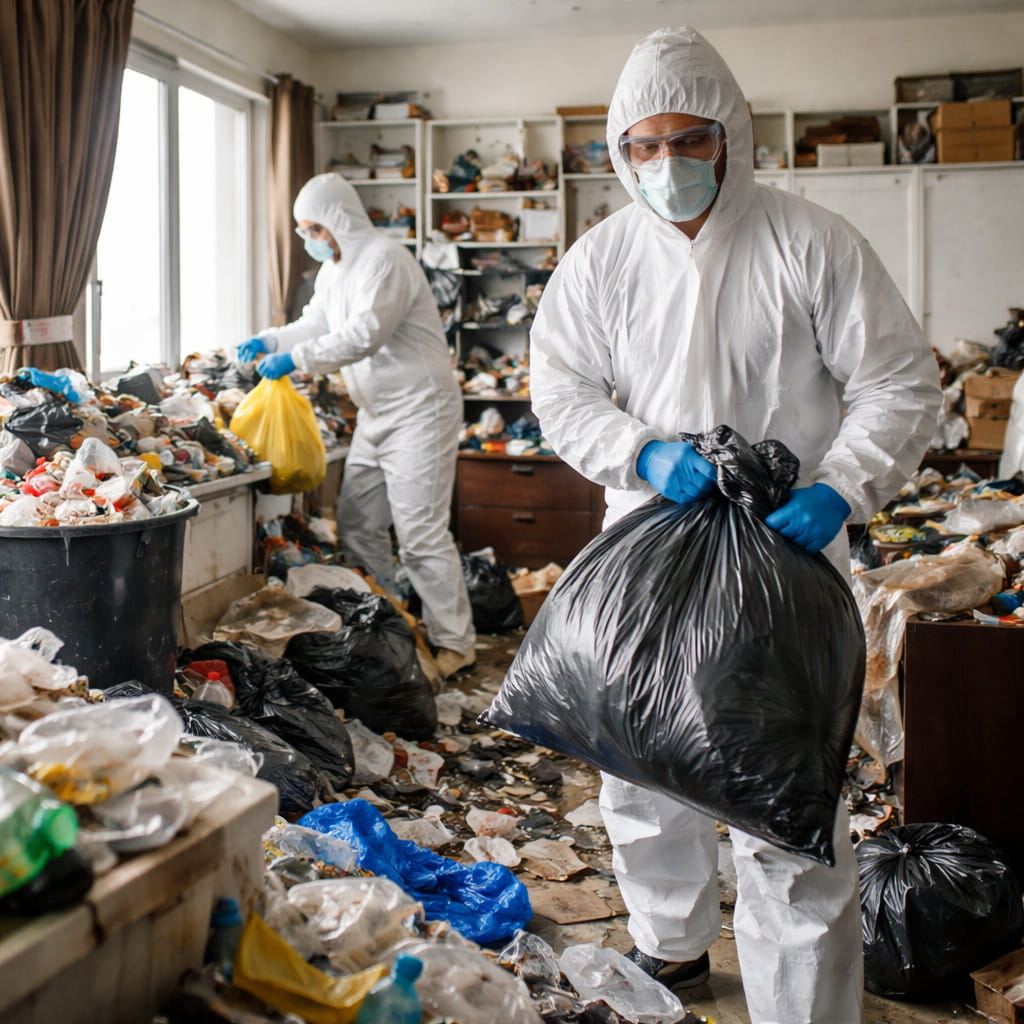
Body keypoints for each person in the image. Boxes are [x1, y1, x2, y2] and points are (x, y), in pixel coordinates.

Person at [528, 26, 942, 1024]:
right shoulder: (599, 261)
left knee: (786, 801)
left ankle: (800, 1007)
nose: (665, 164)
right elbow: (560, 389)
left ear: (733, 137)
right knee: (641, 771)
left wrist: (842, 485)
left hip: (782, 553)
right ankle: (669, 944)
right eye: (642, 145)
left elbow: (897, 382)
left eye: (688, 139)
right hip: (648, 553)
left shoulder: (812, 241)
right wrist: (643, 454)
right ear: (619, 152)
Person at [238, 172, 476, 680]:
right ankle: (395, 620)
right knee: (359, 522)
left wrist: (296, 360)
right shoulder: (336, 270)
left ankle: (457, 643)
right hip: (377, 412)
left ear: (337, 221)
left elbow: (366, 334)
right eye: (303, 231)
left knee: (420, 534)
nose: (309, 240)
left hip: (420, 409)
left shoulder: (385, 259)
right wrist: (270, 341)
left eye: (314, 229)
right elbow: (316, 323)